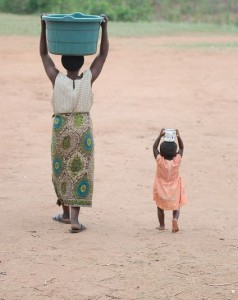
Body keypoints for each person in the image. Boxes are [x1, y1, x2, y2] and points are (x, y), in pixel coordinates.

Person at [40, 14, 109, 233]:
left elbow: (43, 53)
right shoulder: (88, 78)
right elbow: (103, 54)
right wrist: (104, 28)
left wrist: (43, 26)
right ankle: (74, 219)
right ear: (82, 63)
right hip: (82, 128)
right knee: (80, 170)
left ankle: (66, 213)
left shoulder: (56, 78)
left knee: (62, 170)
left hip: (61, 129)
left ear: (61, 62)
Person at [153, 128, 187, 233]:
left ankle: (162, 225)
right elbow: (181, 148)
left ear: (161, 153)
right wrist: (178, 136)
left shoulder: (160, 161)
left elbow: (154, 148)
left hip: (161, 188)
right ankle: (175, 219)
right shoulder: (176, 161)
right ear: (174, 154)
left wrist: (160, 136)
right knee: (176, 206)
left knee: (160, 207)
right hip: (174, 188)